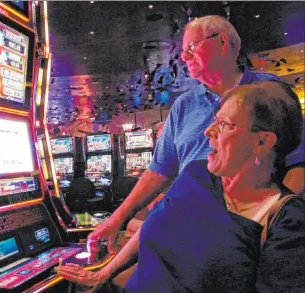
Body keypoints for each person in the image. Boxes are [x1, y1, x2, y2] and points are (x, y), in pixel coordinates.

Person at [55, 80, 305, 293]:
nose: (209, 132)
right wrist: (104, 273)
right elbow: (153, 227)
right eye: (213, 121)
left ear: (262, 141)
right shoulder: (196, 175)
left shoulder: (286, 220)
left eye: (224, 125)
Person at [86, 15, 305, 255]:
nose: (183, 56)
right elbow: (158, 172)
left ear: (222, 42)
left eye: (191, 47)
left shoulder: (269, 91)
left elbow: (299, 163)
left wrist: (266, 223)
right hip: (190, 230)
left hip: (249, 235)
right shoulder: (183, 105)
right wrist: (115, 220)